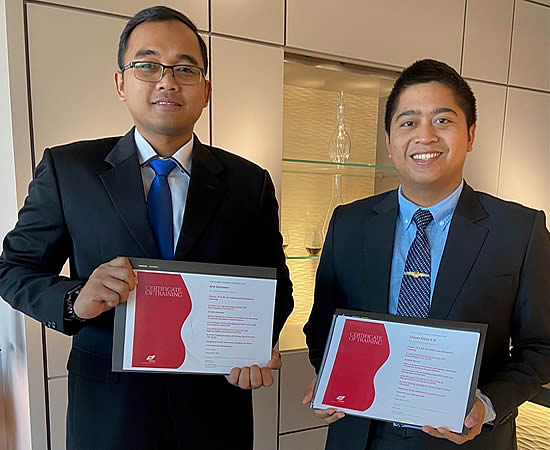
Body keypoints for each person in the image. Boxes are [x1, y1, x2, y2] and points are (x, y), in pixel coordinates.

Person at [0, 6, 293, 450]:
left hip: (215, 411)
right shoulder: (69, 169)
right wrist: (76, 299)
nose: (167, 80)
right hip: (108, 412)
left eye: (184, 68)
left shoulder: (249, 183)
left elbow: (276, 288)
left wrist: (257, 343)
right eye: (148, 65)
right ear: (121, 82)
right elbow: (14, 269)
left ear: (206, 89)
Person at [302, 59, 550, 450]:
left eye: (442, 121)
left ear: (470, 134)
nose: (425, 136)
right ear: (389, 140)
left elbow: (541, 347)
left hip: (465, 440)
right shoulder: (349, 223)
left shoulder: (519, 230)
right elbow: (322, 326)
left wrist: (486, 405)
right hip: (362, 436)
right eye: (408, 122)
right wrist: (328, 372)